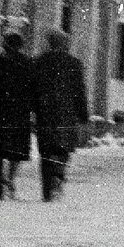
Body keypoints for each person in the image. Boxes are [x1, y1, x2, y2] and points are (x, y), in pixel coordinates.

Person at [31, 29, 92, 202]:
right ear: (65, 44)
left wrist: (34, 110)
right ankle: (58, 174)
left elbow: (33, 90)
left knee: (46, 151)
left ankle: (47, 191)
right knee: (63, 148)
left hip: (45, 113)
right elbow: (80, 92)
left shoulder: (39, 62)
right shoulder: (74, 63)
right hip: (67, 113)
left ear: (49, 43)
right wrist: (83, 116)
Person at [0, 30, 38, 199]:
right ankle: (10, 178)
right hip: (19, 112)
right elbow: (33, 88)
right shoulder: (27, 62)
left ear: (5, 45)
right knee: (18, 150)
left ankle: (0, 183)